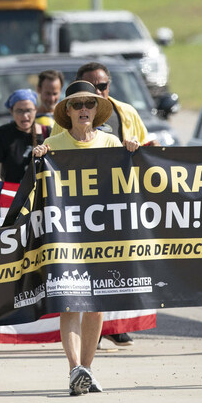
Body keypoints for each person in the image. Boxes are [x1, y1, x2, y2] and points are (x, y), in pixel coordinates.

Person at [32, 80, 140, 395]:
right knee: (70, 305)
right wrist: (39, 156)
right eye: (77, 105)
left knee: (96, 307)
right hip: (66, 238)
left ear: (97, 109)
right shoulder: (54, 144)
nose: (83, 110)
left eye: (89, 105)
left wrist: (130, 152)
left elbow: (130, 187)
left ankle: (87, 370)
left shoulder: (110, 143)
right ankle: (74, 369)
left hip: (102, 237)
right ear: (67, 110)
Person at [75, 61, 150, 348]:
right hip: (81, 205)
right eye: (90, 88)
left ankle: (114, 325)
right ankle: (87, 328)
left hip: (118, 202)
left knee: (115, 267)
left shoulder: (126, 112)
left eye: (103, 86)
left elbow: (149, 150)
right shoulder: (68, 115)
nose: (98, 92)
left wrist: (135, 150)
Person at [0, 89, 48, 184]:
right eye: (19, 111)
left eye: (29, 110)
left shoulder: (47, 133)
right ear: (11, 111)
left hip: (41, 196)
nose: (25, 116)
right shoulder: (0, 134)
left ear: (36, 110)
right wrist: (5, 192)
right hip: (12, 194)